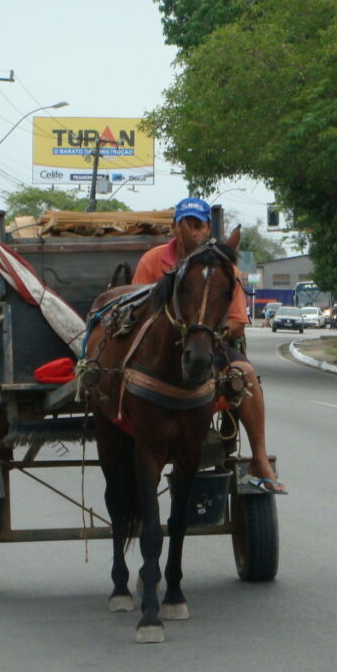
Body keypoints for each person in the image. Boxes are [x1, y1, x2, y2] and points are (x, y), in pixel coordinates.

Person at [131, 197, 286, 493]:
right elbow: (139, 309)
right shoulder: (153, 261)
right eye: (186, 224)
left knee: (246, 375)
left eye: (198, 225)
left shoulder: (224, 267)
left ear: (207, 230)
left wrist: (208, 334)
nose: (192, 232)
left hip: (209, 345)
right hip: (159, 352)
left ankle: (260, 457)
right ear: (175, 228)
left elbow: (238, 319)